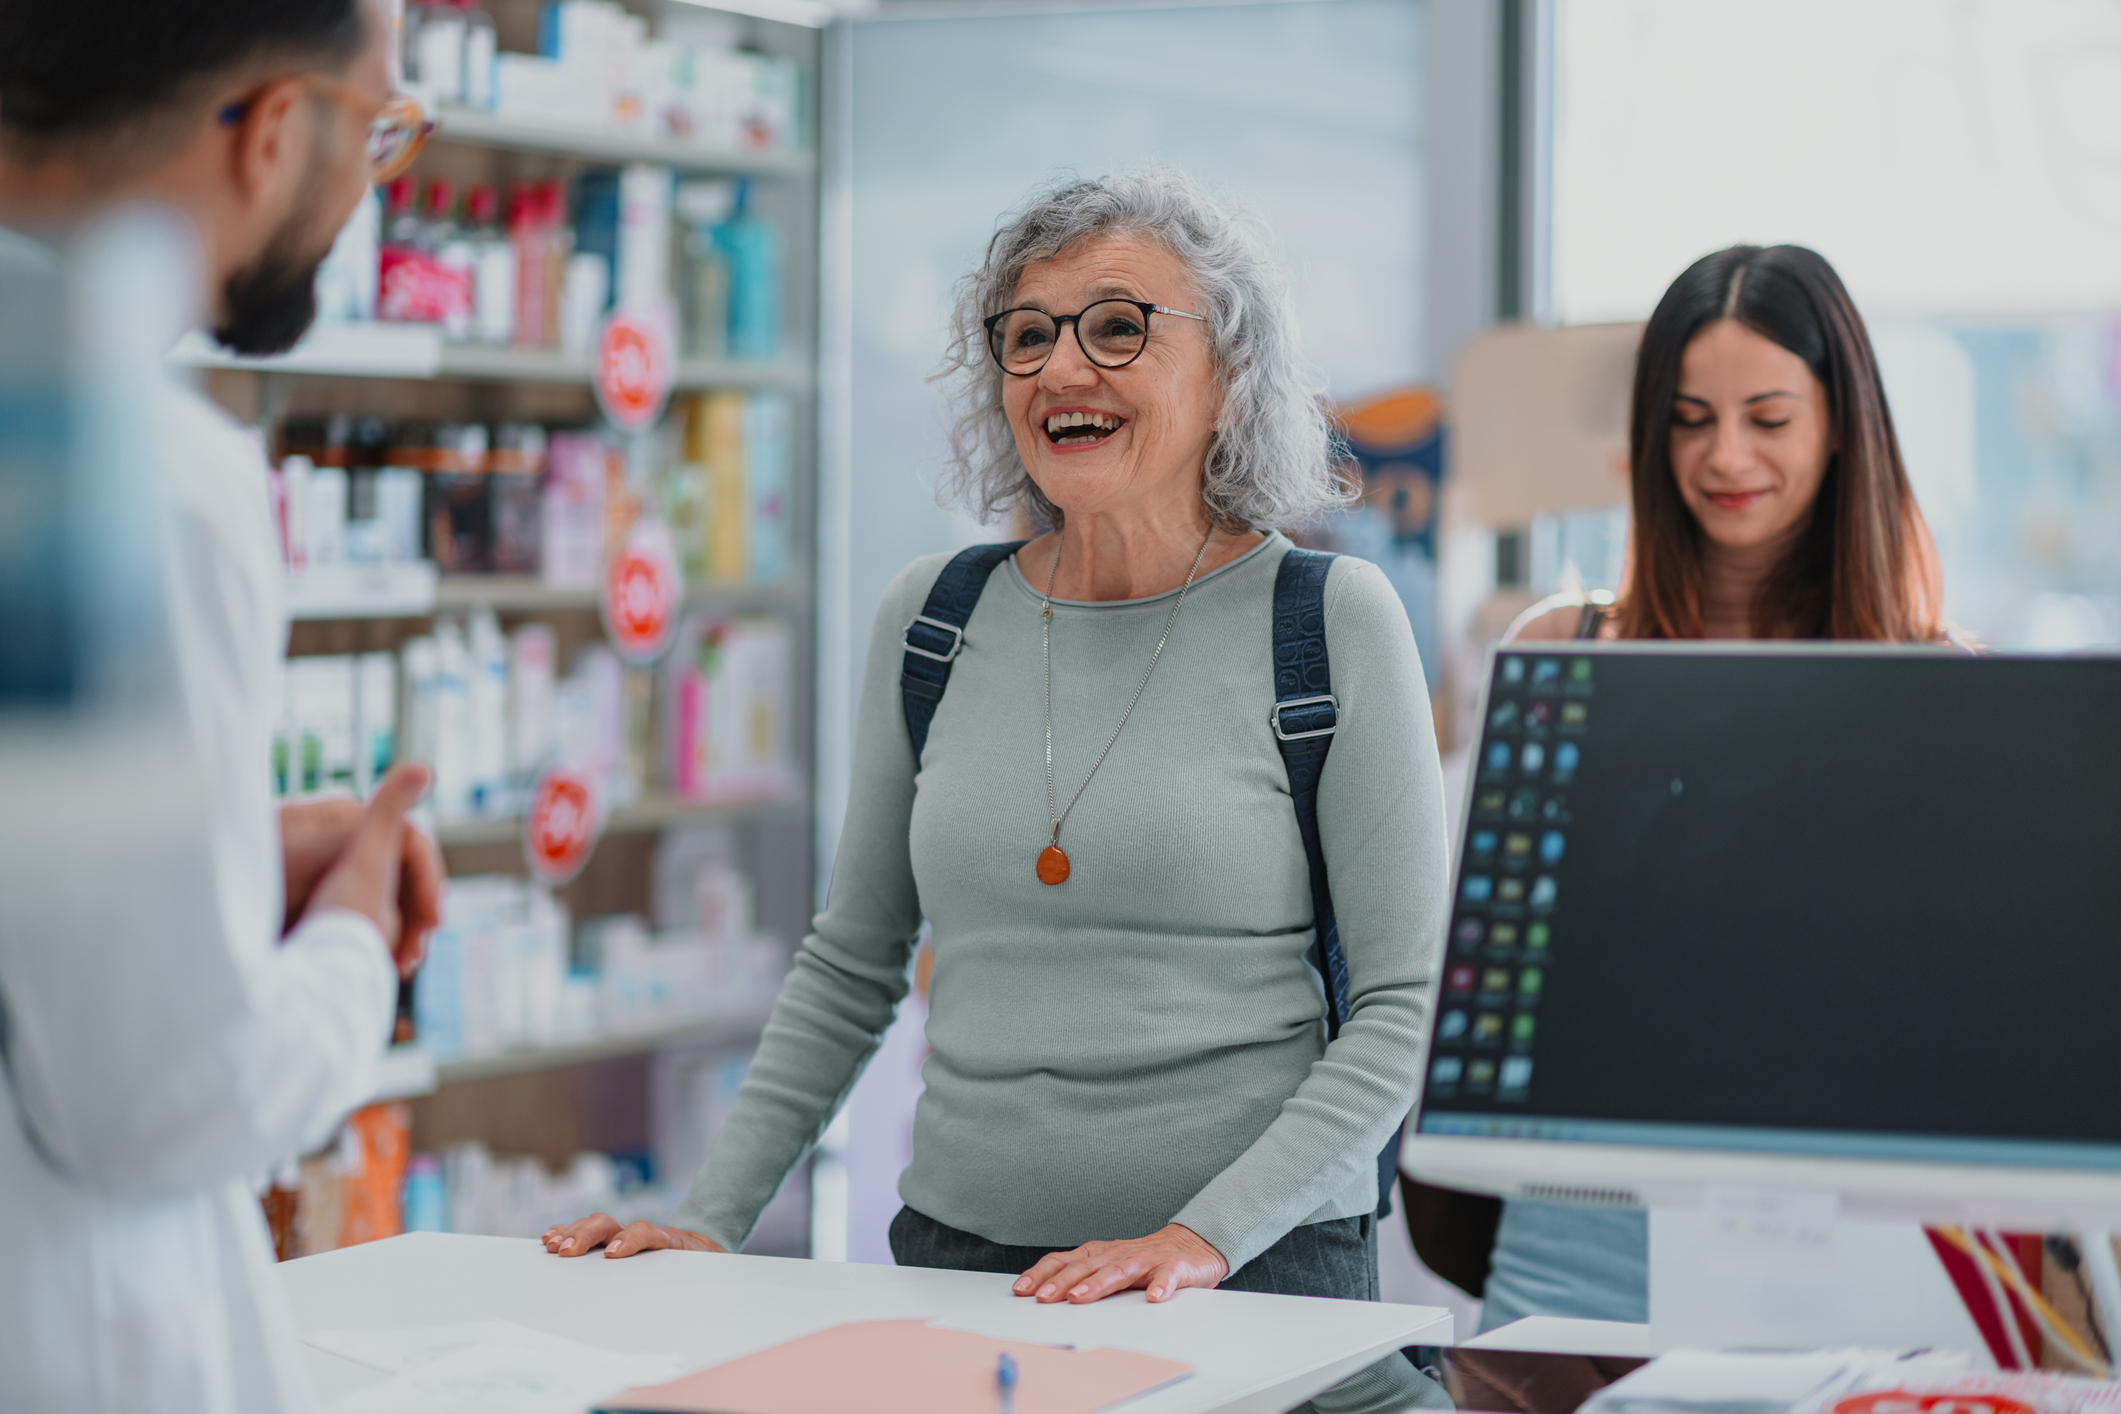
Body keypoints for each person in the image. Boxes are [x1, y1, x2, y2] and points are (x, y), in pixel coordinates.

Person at [544, 171, 1452, 1413]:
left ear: (1231, 376)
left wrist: (1199, 1239)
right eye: (1028, 336)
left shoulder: (1328, 621)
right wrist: (709, 1224)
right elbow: (851, 961)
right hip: (965, 1282)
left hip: (1254, 1283)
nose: (1061, 370)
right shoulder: (933, 619)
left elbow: (1399, 1011)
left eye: (1119, 326)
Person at [0, 3, 444, 1410]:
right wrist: (353, 942)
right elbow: (158, 1101)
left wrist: (225, 848)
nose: (375, 178)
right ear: (271, 130)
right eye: (379, 125)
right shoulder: (120, 463)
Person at [1446, 242, 1943, 1409]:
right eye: (1688, 418)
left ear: (1842, 422)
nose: (1726, 457)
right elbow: (1489, 964)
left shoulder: (1936, 688)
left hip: (1845, 1272)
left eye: (1768, 415)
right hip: (1576, 1265)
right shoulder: (1561, 657)